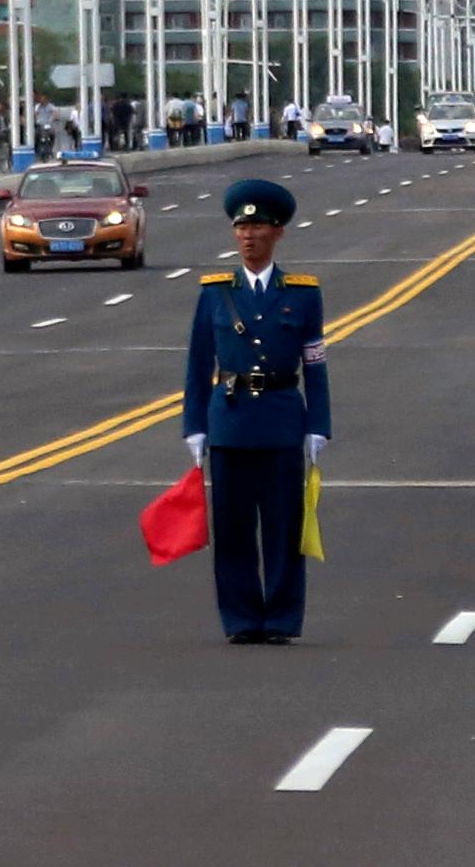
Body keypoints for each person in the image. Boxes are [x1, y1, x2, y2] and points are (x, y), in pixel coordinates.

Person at [183, 178, 329, 645]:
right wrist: (195, 426)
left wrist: (319, 424)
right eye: (241, 227)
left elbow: (315, 361)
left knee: (285, 530)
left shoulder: (302, 293)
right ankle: (242, 619)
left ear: (278, 232)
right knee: (233, 530)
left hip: (284, 420)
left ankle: (283, 619)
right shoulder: (215, 292)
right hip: (229, 422)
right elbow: (198, 362)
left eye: (258, 227)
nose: (248, 236)